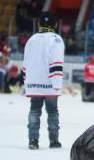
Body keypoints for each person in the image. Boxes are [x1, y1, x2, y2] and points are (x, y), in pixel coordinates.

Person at [23, 11, 65, 150]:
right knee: (52, 111)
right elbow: (56, 64)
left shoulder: (31, 39)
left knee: (34, 110)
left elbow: (25, 64)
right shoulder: (56, 39)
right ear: (56, 24)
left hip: (34, 83)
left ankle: (33, 140)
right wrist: (57, 85)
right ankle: (54, 141)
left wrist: (26, 83)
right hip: (49, 84)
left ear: (39, 23)